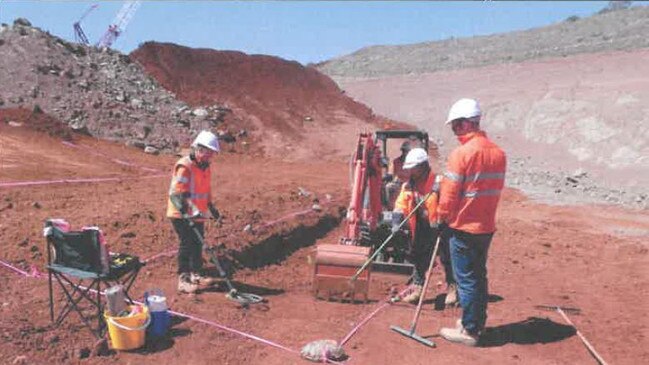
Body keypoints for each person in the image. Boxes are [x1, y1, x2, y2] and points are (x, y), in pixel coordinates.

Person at [437, 98, 507, 346]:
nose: (455, 132)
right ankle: (476, 322)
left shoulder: (461, 154)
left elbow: (449, 194)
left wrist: (441, 218)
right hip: (486, 226)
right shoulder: (498, 153)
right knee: (479, 276)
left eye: (456, 126)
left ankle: (470, 331)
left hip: (463, 227)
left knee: (465, 278)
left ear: (467, 123)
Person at [391, 147, 456, 304]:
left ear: (422, 166)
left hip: (442, 227)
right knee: (419, 256)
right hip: (422, 226)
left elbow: (449, 203)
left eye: (413, 168)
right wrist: (396, 221)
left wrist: (443, 219)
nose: (410, 172)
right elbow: (401, 204)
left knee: (447, 258)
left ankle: (453, 288)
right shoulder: (408, 185)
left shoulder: (439, 183)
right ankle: (417, 288)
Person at [167, 130, 223, 294]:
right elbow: (177, 193)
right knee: (187, 243)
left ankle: (196, 274)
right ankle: (183, 279)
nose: (209, 157)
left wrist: (211, 207)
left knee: (198, 243)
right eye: (207, 153)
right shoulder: (185, 166)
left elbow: (205, 190)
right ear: (198, 149)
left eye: (212, 154)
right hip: (180, 212)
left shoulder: (205, 167)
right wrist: (190, 212)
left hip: (198, 213)